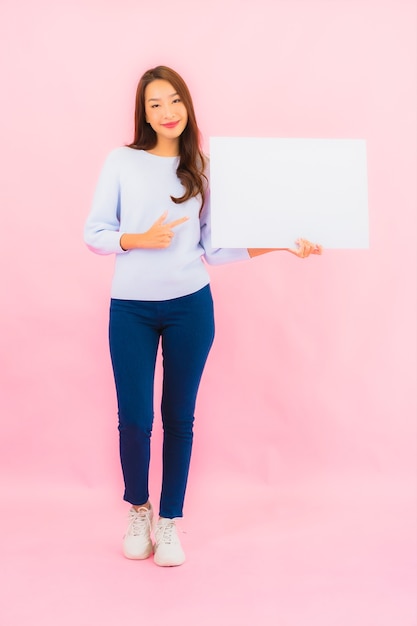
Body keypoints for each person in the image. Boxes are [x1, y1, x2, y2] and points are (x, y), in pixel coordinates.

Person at [84, 65, 322, 568]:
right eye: (155, 104)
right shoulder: (121, 162)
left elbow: (215, 248)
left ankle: (169, 521)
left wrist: (281, 243)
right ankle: (138, 509)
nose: (167, 112)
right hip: (130, 310)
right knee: (134, 418)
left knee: (179, 418)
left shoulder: (202, 167)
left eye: (174, 100)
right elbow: (95, 232)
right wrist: (136, 239)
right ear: (143, 113)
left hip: (191, 306)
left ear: (187, 105)